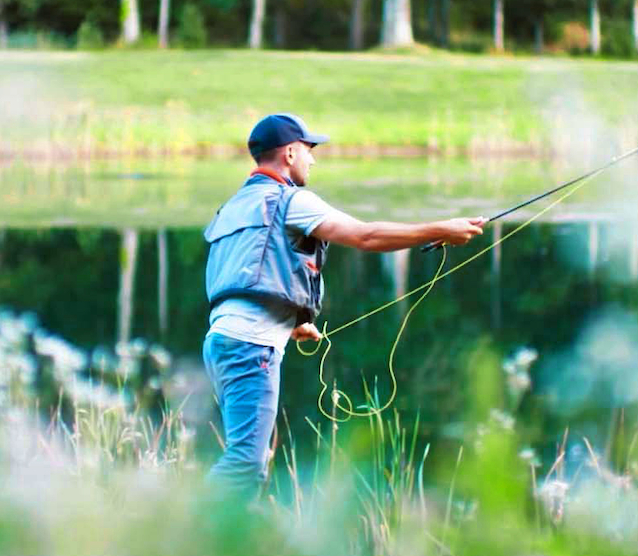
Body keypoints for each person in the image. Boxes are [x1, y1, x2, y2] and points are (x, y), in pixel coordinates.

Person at [202, 112, 484, 496]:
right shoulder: (291, 200)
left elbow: (245, 275)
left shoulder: (235, 206)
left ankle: (218, 544)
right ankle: (183, 538)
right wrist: (441, 230)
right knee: (246, 463)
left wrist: (288, 322)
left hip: (221, 342)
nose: (312, 159)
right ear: (288, 153)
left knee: (249, 457)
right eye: (308, 150)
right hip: (250, 346)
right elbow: (365, 236)